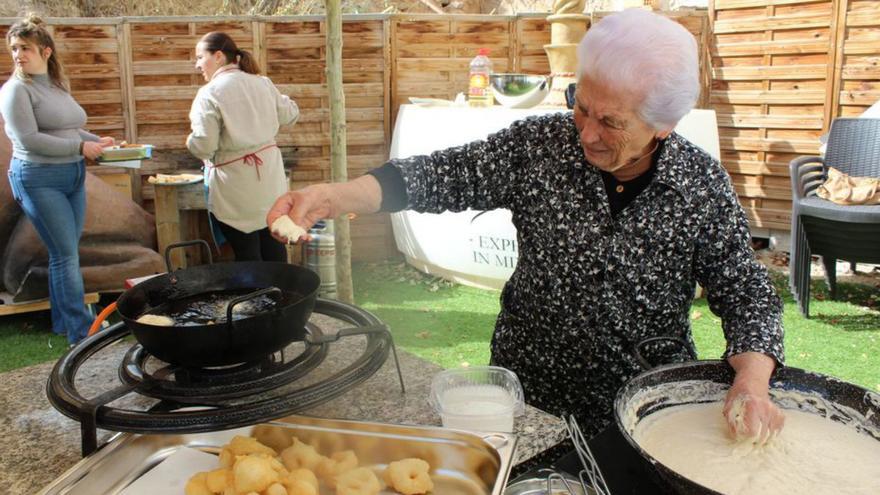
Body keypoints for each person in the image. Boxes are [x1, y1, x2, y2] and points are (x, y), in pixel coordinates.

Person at [267, 9, 786, 442]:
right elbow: (441, 174)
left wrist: (752, 382)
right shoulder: (539, 147)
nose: (585, 133)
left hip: (647, 408)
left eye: (610, 122)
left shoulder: (699, 183)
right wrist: (332, 196)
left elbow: (745, 291)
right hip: (530, 396)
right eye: (579, 106)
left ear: (664, 124)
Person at [1, 14, 114, 346]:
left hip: (72, 175)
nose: (18, 55)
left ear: (46, 52)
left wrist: (100, 141)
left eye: (25, 48)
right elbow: (29, 139)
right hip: (39, 178)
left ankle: (64, 323)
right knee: (66, 254)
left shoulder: (55, 85)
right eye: (14, 49)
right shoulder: (15, 91)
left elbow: (68, 126)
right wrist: (81, 146)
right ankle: (82, 333)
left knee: (65, 252)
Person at [186, 31, 299, 262]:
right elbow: (290, 114)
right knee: (274, 247)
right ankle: (286, 297)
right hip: (270, 181)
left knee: (247, 254)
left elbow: (204, 146)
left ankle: (257, 297)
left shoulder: (209, 93)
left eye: (200, 57)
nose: (197, 65)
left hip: (236, 188)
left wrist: (190, 142)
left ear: (218, 56)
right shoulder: (262, 82)